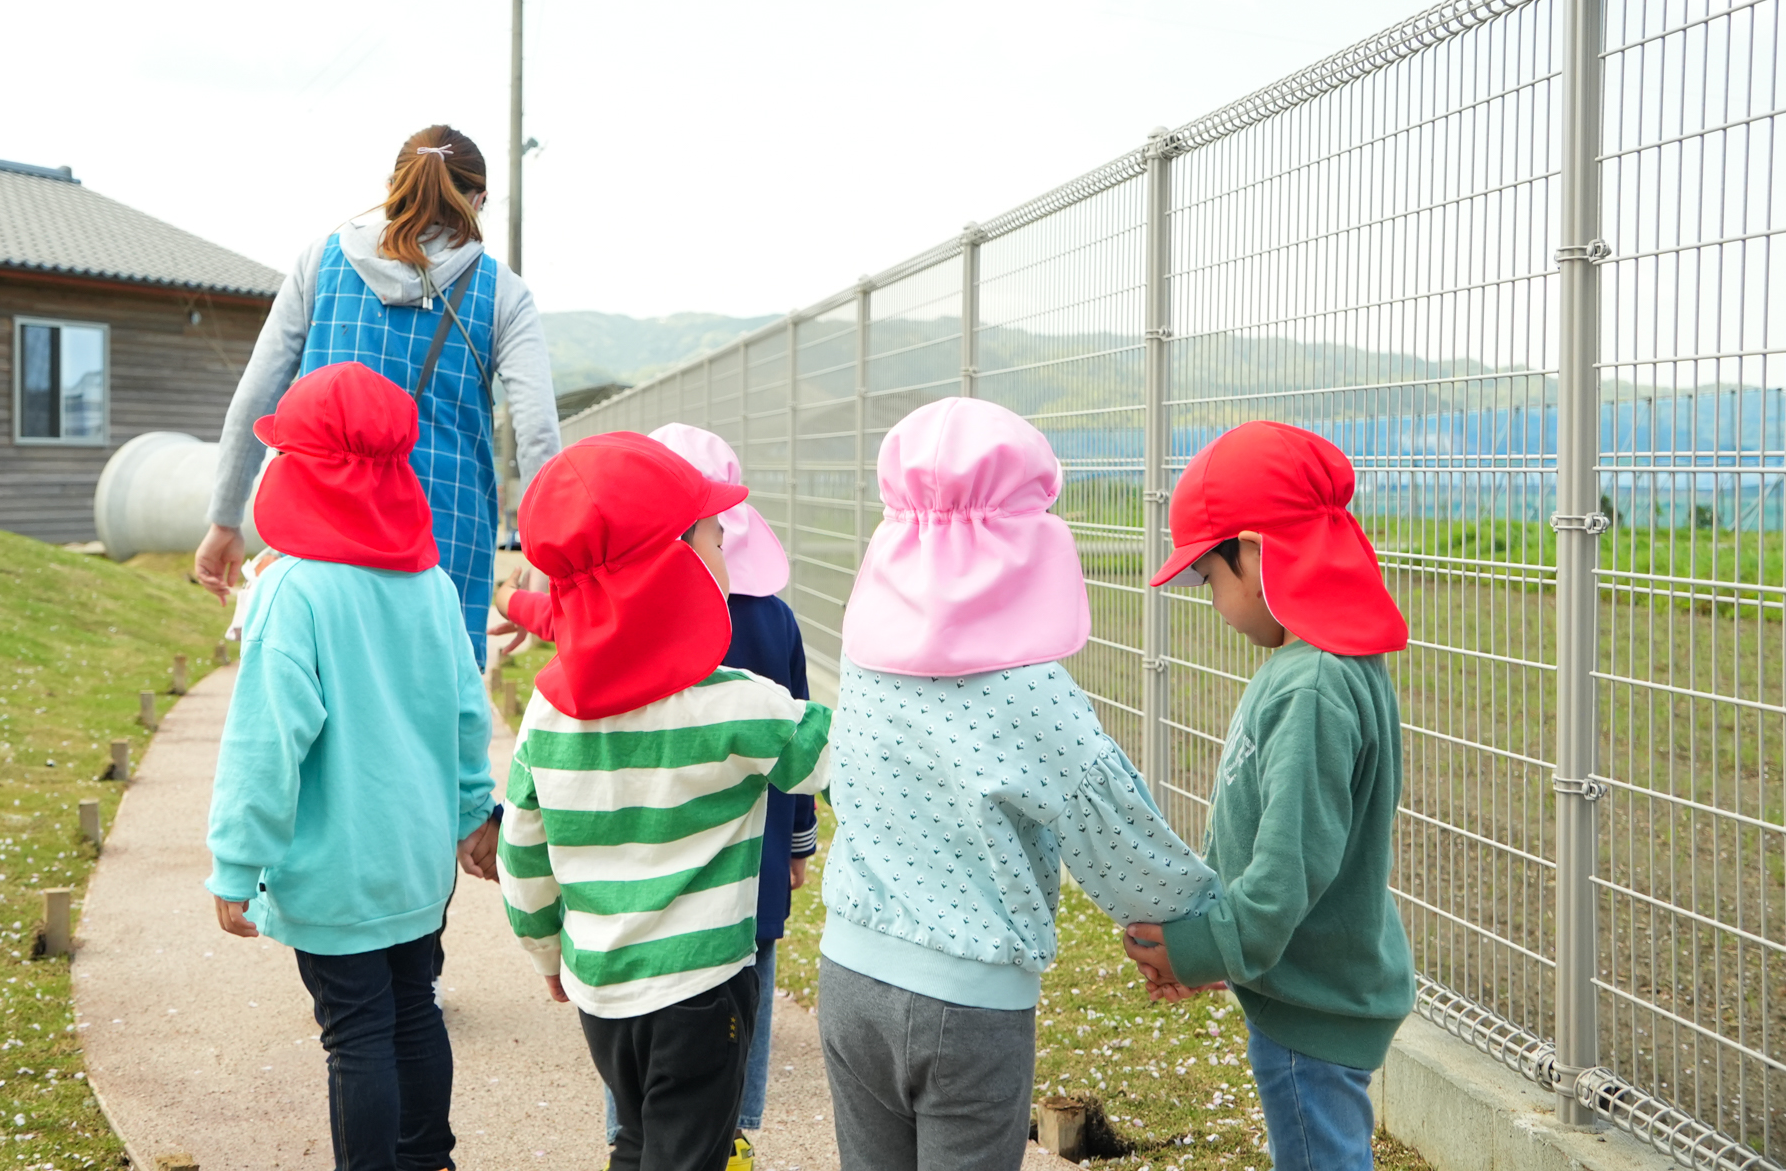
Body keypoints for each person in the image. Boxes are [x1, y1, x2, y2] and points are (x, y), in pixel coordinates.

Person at [817, 397, 1218, 1171]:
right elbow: (1109, 825)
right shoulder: (1030, 690)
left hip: (850, 972)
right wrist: (1197, 931)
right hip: (967, 1006)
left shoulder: (867, 657)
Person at [496, 432, 834, 1171]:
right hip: (701, 989)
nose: (726, 546)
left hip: (601, 991)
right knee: (690, 1154)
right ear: (667, 561)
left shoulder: (548, 716)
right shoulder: (735, 705)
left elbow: (521, 849)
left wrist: (546, 951)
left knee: (640, 1139)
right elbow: (834, 756)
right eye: (714, 534)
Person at [204, 361, 500, 1171]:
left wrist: (237, 859)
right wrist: (477, 808)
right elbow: (467, 712)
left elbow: (267, 740)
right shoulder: (430, 582)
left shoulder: (290, 590)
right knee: (415, 1008)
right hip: (414, 861)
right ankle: (428, 1158)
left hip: (335, 870)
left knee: (356, 1033)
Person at [1122, 420, 1414, 1171]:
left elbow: (1289, 869)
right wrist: (1223, 946)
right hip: (1308, 984)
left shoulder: (1313, 684)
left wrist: (1198, 947)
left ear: (1253, 552)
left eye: (1209, 577)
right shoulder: (1319, 665)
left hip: (1310, 1009)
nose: (1211, 599)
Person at [195, 124, 560, 669]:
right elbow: (536, 433)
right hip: (445, 529)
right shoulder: (502, 289)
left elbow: (257, 396)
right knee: (438, 704)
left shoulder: (319, 263)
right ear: (479, 199)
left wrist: (225, 520)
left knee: (316, 688)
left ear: (394, 185)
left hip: (319, 520)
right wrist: (543, 555)